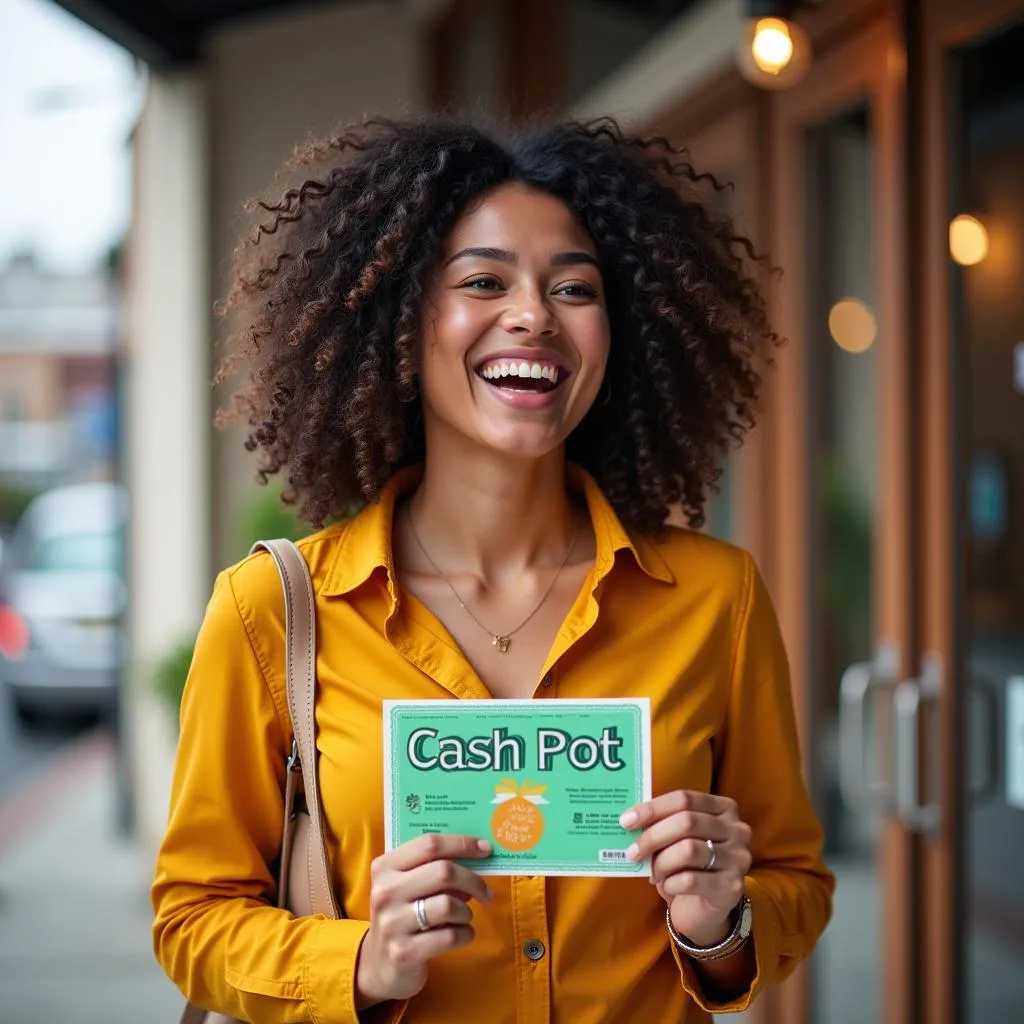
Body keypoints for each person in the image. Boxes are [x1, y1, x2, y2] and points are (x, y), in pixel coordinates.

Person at [152, 116, 834, 1024]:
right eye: (483, 280)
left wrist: (721, 922)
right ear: (398, 317)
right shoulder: (274, 612)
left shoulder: (718, 599)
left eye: (575, 289)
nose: (534, 316)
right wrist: (359, 960)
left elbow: (796, 881)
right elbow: (191, 918)